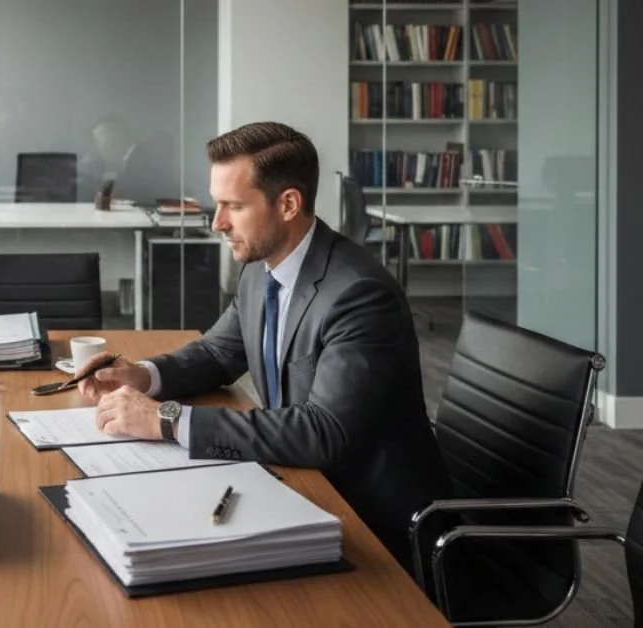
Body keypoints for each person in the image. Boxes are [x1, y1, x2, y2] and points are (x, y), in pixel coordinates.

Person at [76, 121, 451, 572]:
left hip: (375, 525)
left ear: (288, 204)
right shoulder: (264, 264)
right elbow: (218, 351)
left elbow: (322, 433)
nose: (217, 223)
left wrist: (168, 420)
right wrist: (145, 375)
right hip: (301, 485)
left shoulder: (359, 295)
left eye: (233, 205)